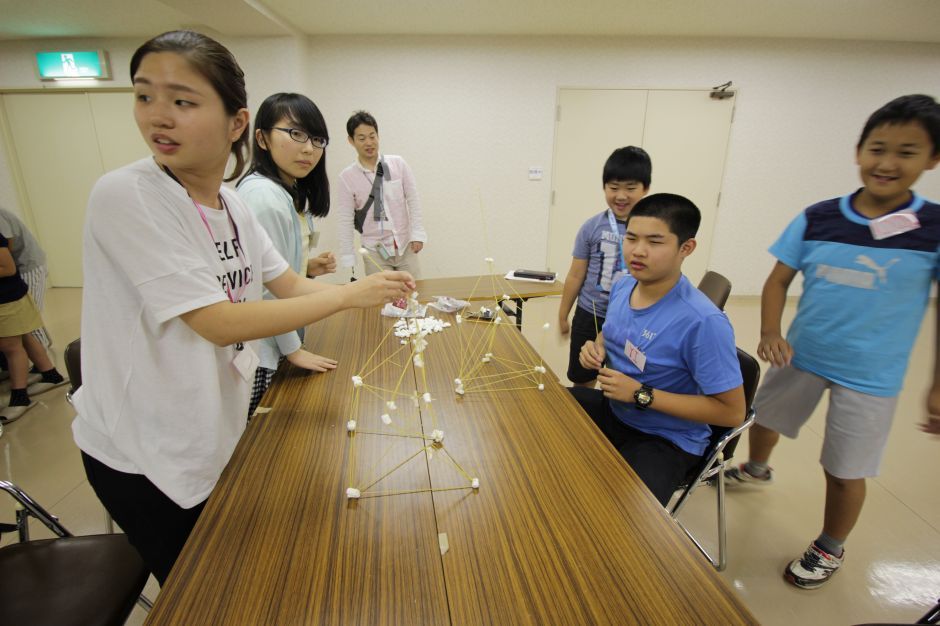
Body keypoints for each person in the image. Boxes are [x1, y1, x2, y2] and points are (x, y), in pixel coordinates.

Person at [71, 30, 414, 586]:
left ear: (235, 123)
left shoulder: (232, 203)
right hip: (143, 448)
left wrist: (367, 291)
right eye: (144, 96)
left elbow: (286, 285)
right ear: (256, 134)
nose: (159, 117)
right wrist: (352, 295)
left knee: (233, 571)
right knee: (204, 589)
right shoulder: (126, 195)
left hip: (208, 422)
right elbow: (217, 322)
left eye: (182, 102)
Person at [725, 94, 940, 589]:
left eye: (906, 152)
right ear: (858, 151)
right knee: (765, 417)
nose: (887, 163)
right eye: (877, 148)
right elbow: (778, 279)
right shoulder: (819, 217)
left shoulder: (933, 227)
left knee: (844, 469)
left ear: (931, 160)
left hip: (873, 374)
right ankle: (757, 468)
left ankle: (830, 545)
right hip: (803, 354)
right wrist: (771, 332)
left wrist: (936, 385)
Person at [570, 193, 744, 506]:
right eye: (632, 238)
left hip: (665, 438)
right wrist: (593, 349)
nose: (638, 251)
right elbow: (609, 335)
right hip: (616, 412)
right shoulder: (624, 284)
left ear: (685, 248)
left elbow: (732, 412)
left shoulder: (703, 322)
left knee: (620, 515)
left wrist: (641, 394)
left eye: (655, 241)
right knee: (542, 413)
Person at [237, 93, 339, 417]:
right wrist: (293, 351)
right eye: (295, 134)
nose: (309, 148)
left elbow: (269, 268)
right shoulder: (264, 197)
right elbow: (267, 290)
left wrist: (305, 268)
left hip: (279, 336)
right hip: (264, 350)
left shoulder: (283, 189)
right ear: (262, 138)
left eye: (317, 139)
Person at [558, 146, 651, 388]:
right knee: (583, 377)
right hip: (591, 313)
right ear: (604, 188)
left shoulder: (651, 231)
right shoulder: (591, 227)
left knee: (624, 380)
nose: (621, 196)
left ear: (646, 189)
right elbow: (576, 275)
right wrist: (563, 314)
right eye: (613, 188)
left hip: (632, 317)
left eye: (630, 188)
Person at [336, 111, 426, 277]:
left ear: (378, 135)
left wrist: (417, 234)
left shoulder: (398, 164)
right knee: (382, 299)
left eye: (372, 136)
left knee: (414, 295)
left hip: (405, 245)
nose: (369, 142)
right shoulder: (346, 177)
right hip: (374, 251)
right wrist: (348, 255)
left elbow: (413, 200)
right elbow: (345, 219)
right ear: (351, 141)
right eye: (362, 138)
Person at [0, 232, 64, 424]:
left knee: (11, 348)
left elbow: (8, 267)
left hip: (7, 298)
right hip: (11, 295)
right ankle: (50, 374)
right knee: (25, 337)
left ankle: (20, 397)